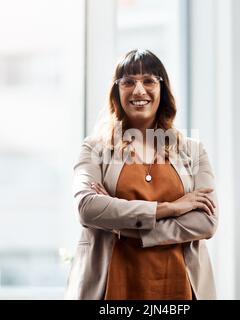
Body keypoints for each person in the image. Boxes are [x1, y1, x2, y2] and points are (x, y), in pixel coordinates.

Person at [65, 49, 218, 300]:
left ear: (162, 90)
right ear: (117, 91)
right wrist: (168, 208)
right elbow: (87, 208)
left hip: (179, 288)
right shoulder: (94, 148)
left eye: (148, 81)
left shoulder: (193, 151)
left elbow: (206, 222)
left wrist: (119, 226)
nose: (138, 91)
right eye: (128, 82)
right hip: (112, 289)